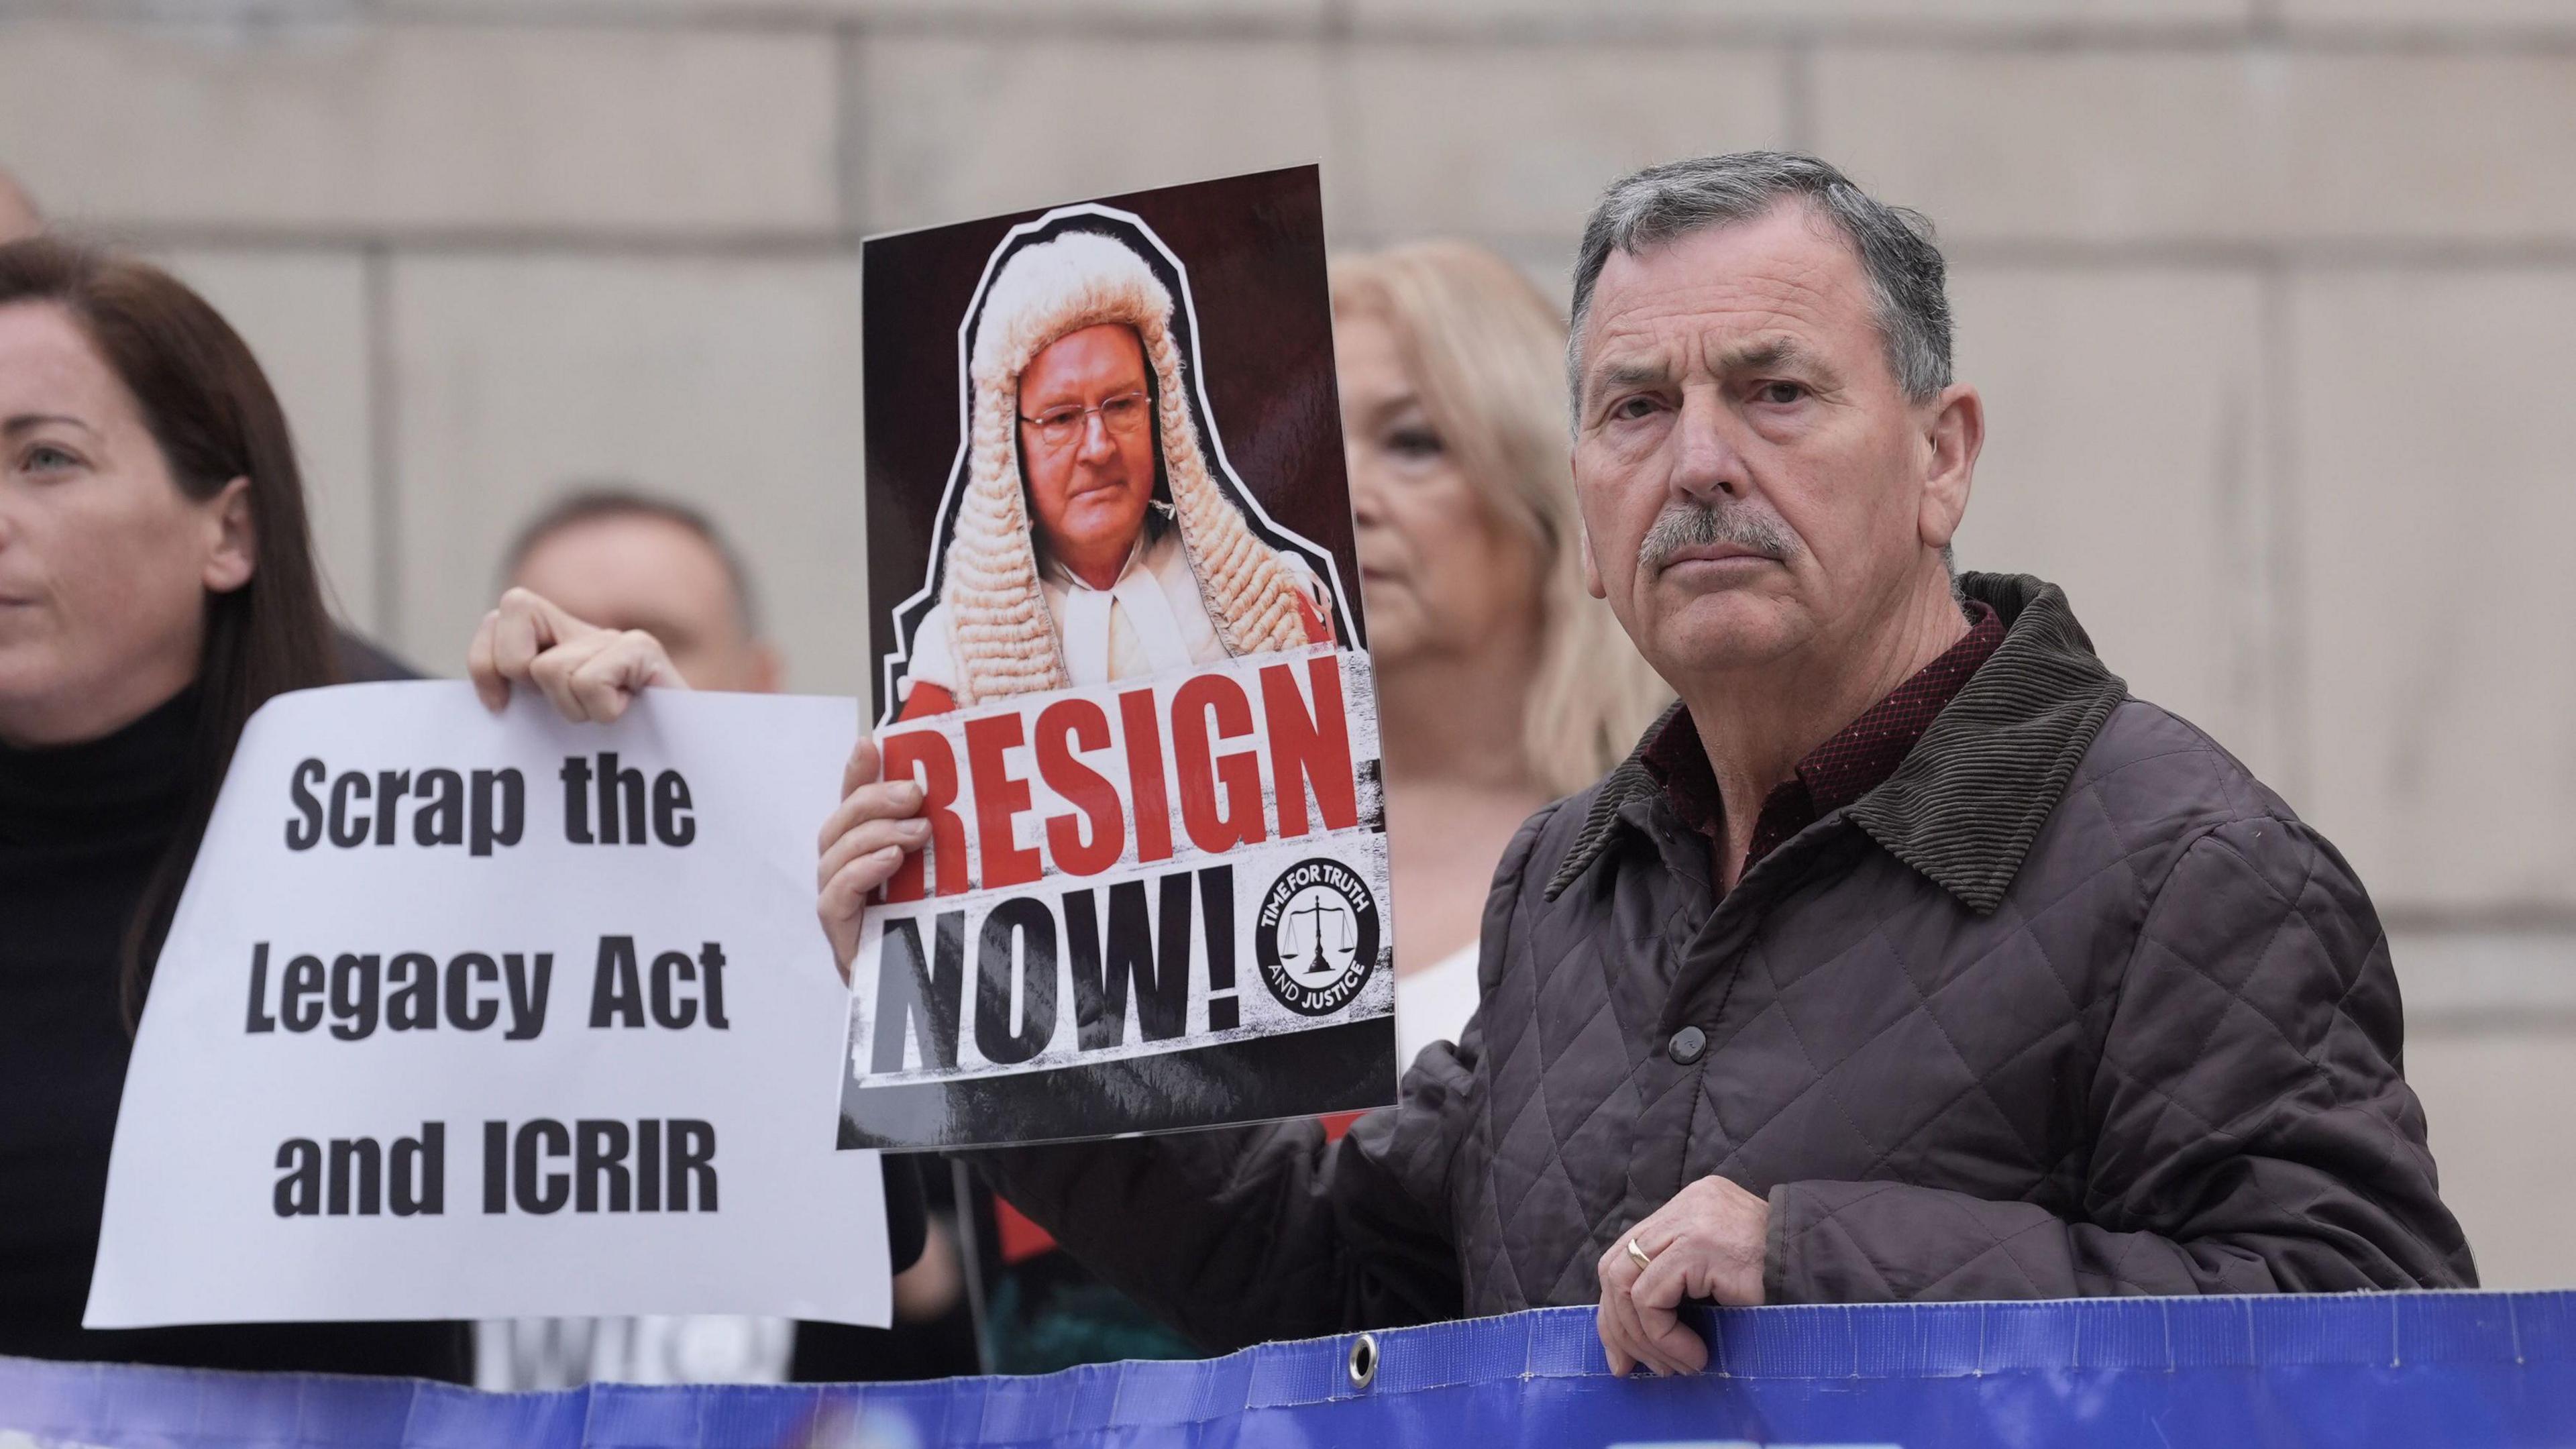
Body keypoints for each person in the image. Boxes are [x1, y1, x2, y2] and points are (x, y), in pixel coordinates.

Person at [794, 153, 2476, 1375]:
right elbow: (1333, 1273)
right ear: (1586, 512)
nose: (1696, 465)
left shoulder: (2180, 856)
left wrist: (1812, 1255)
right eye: (1631, 407)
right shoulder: (1573, 874)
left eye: (1774, 391)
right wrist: (975, 996)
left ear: (1941, 457)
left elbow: (2364, 1329)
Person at [0, 236, 468, 1379]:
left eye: (46, 460)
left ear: (230, 531)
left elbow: (821, 1209)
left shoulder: (435, 823)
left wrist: (614, 784)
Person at [475, 488, 970, 1388]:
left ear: (763, 685)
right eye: (548, 644)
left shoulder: (901, 958)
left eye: (653, 634)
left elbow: (981, 1346)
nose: (596, 674)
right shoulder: (406, 978)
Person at [1332, 242, 1669, 1062]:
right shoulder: (1176, 851)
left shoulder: (1685, 835)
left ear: (1552, 501)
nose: (1339, 493)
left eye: (1412, 443)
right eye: (1300, 451)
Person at [891, 225, 1333, 721]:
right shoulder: (956, 666)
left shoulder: (1278, 601)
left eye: (1121, 405)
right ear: (1010, 447)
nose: (1098, 448)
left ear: (1160, 417)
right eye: (1060, 418)